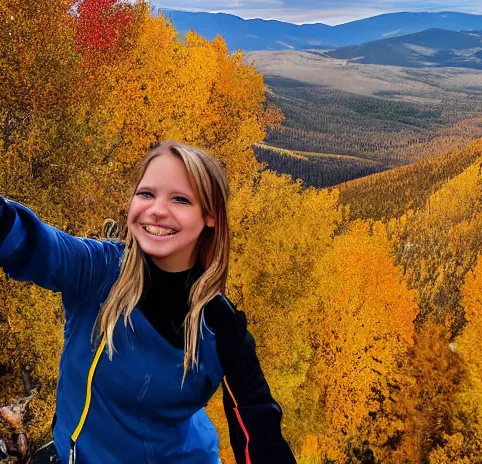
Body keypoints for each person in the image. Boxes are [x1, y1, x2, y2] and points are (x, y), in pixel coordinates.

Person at [0, 141, 297, 464]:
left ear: (211, 216)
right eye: (146, 194)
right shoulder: (97, 271)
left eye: (180, 199)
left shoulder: (220, 328)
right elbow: (32, 243)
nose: (157, 210)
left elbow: (260, 430)